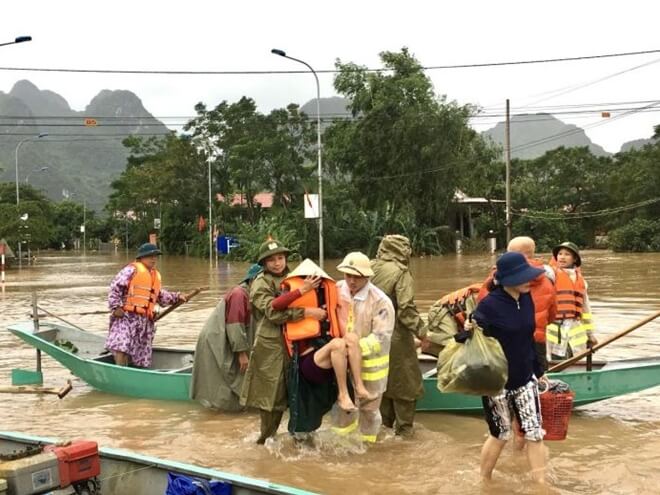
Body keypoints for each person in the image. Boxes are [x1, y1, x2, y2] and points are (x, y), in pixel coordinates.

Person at [471, 252, 548, 484]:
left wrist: (539, 370)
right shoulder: (489, 305)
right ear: (506, 280)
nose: (529, 280)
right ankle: (484, 481)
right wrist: (469, 328)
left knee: (535, 433)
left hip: (525, 378)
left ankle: (541, 485)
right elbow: (473, 339)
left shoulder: (526, 299)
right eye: (523, 277)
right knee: (501, 434)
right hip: (497, 383)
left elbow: (529, 337)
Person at [239, 239, 325, 445]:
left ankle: (301, 439)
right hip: (272, 347)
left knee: (300, 391)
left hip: (298, 342)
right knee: (272, 398)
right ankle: (265, 442)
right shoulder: (261, 282)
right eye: (271, 260)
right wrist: (306, 312)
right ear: (264, 263)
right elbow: (272, 312)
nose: (277, 263)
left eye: (280, 258)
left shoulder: (295, 277)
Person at [272, 259, 377, 413]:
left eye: (316, 279)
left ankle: (359, 387)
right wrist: (303, 291)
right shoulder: (291, 288)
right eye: (307, 278)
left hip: (331, 358)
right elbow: (275, 306)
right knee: (338, 344)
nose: (313, 282)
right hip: (308, 362)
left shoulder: (329, 288)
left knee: (352, 338)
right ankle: (343, 394)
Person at [333, 252, 395, 444]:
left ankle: (369, 447)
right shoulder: (335, 290)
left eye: (357, 277)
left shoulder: (380, 301)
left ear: (367, 277)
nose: (351, 281)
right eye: (348, 275)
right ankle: (341, 445)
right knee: (342, 406)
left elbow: (382, 338)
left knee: (369, 410)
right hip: (341, 362)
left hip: (371, 368)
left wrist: (354, 349)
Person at [370, 235, 428, 438]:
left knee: (381, 383)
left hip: (371, 336)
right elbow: (406, 309)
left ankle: (383, 432)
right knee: (406, 384)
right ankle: (405, 434)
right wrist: (422, 331)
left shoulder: (369, 267)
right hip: (395, 336)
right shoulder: (400, 272)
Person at [190, 263, 262, 411]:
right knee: (223, 376)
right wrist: (242, 354)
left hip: (230, 338)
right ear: (253, 279)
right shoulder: (239, 294)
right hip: (217, 339)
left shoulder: (254, 295)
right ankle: (222, 412)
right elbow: (235, 325)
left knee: (233, 375)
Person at [478, 236, 556, 371]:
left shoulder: (496, 278)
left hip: (505, 343)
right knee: (539, 377)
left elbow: (481, 307)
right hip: (537, 339)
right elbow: (553, 314)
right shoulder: (547, 280)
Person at [106, 243, 188, 367]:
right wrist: (115, 307)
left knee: (142, 351)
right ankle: (120, 370)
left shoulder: (154, 275)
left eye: (155, 256)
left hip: (145, 321)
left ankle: (137, 372)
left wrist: (177, 297)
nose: (153, 259)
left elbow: (160, 296)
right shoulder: (131, 270)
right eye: (150, 256)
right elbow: (115, 287)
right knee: (122, 345)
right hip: (127, 317)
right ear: (141, 257)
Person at [546, 241, 598, 360]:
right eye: (560, 254)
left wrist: (590, 335)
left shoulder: (581, 282)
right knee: (553, 361)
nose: (562, 257)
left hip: (574, 334)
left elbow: (586, 310)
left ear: (575, 259)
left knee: (574, 360)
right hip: (554, 333)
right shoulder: (550, 275)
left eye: (567, 254)